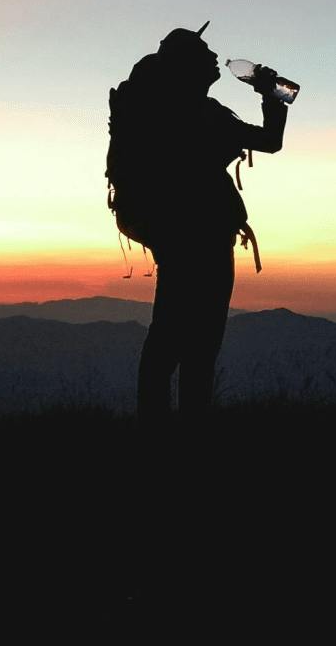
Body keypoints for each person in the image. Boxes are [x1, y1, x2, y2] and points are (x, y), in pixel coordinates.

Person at [107, 24, 289, 422]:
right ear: (187, 64)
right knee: (199, 338)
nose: (213, 57)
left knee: (170, 331)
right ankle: (191, 424)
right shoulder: (199, 112)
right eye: (204, 52)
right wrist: (271, 94)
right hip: (203, 233)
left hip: (173, 232)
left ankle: (157, 421)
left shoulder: (161, 108)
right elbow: (270, 141)